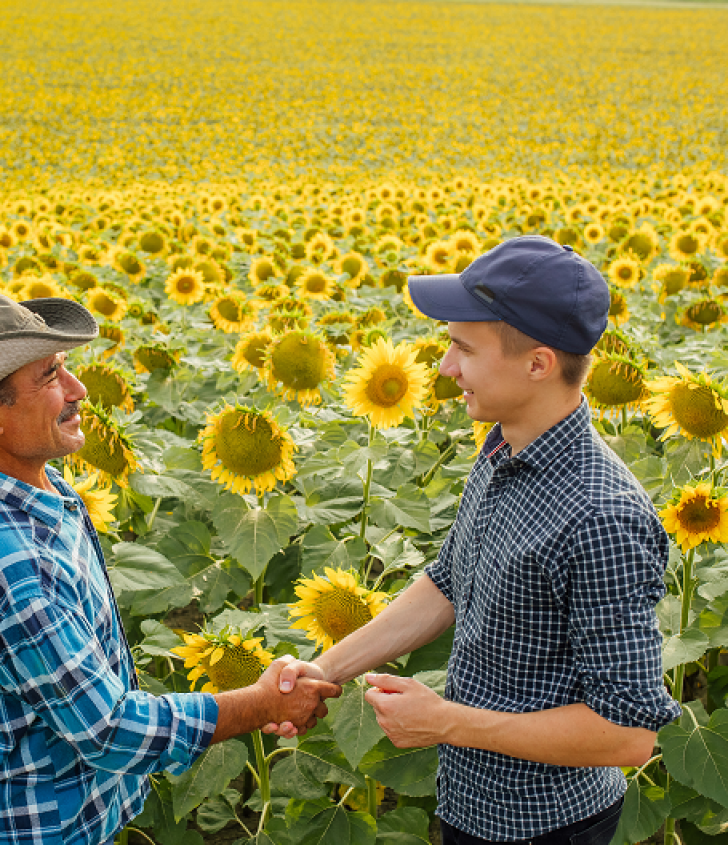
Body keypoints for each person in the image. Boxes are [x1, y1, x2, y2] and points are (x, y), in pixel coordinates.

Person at [269, 237, 681, 845]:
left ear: (537, 364)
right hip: (470, 802)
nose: (445, 367)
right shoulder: (503, 447)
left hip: (545, 825)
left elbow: (627, 734)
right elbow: (447, 585)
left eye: (463, 348)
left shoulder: (602, 516)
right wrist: (323, 670)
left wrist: (446, 723)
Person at [0, 293, 340, 845]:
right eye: (49, 376)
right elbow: (109, 730)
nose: (78, 390)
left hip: (26, 796)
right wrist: (262, 702)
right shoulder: (17, 565)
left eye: (64, 367)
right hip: (34, 825)